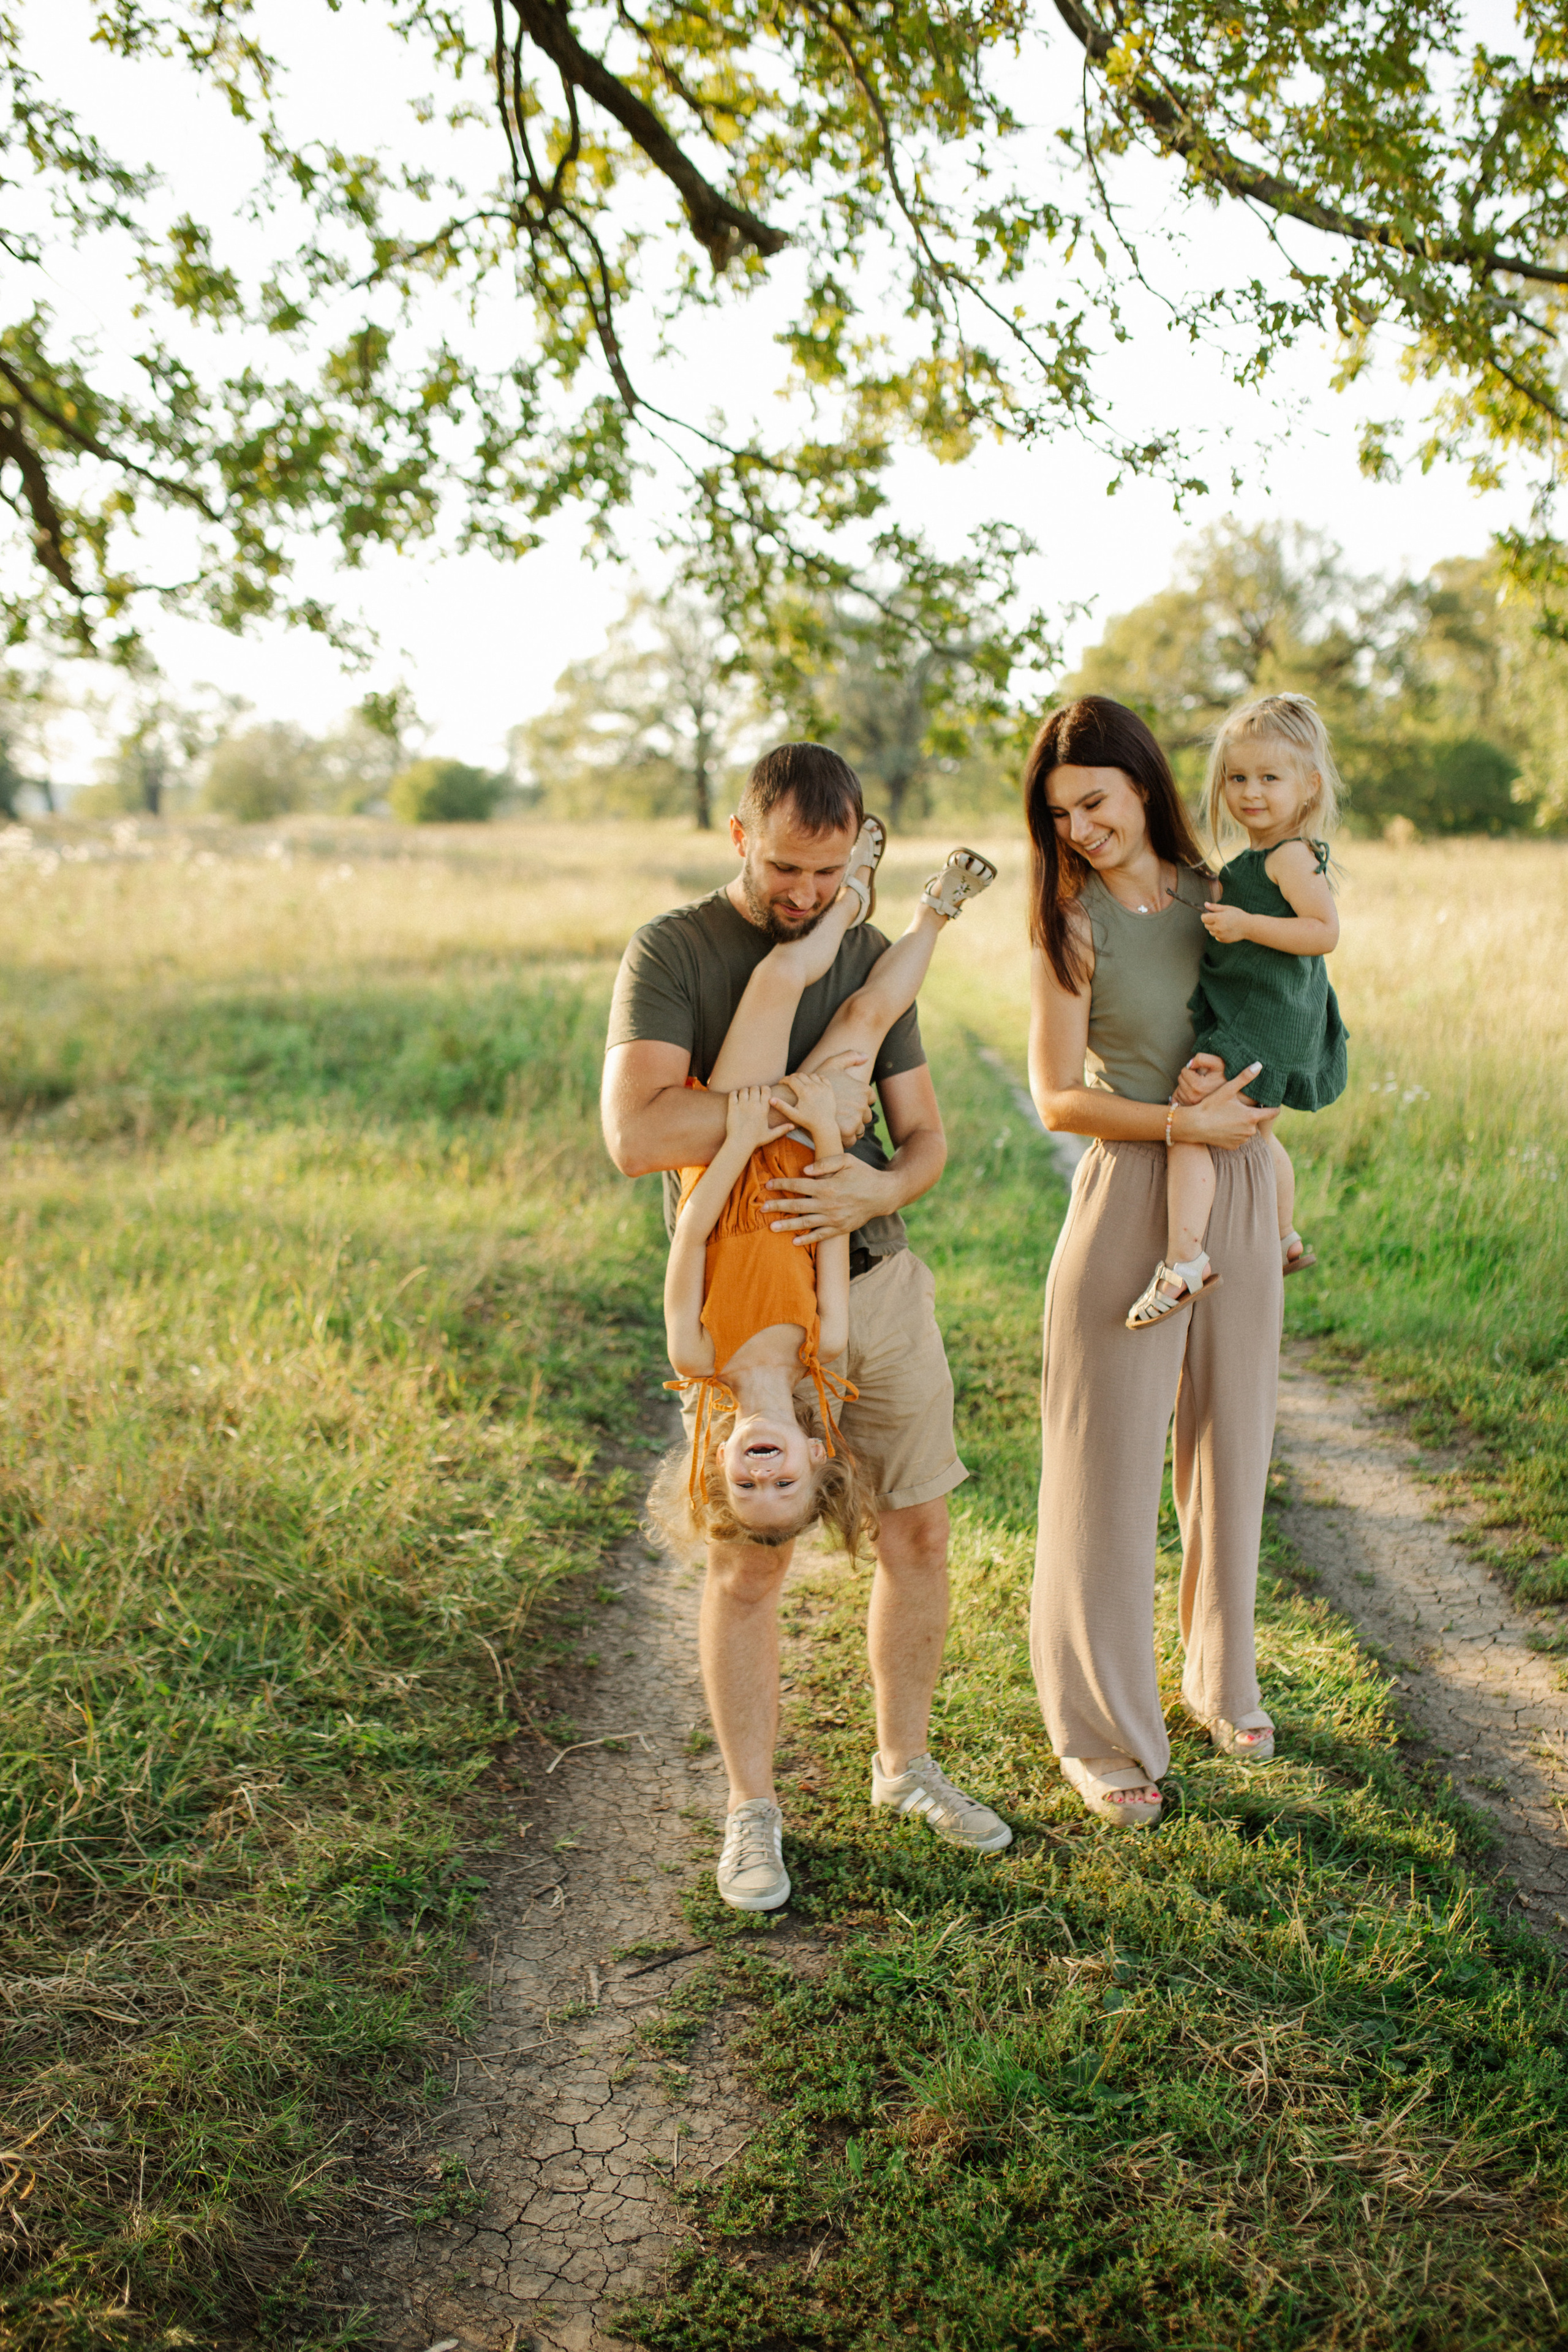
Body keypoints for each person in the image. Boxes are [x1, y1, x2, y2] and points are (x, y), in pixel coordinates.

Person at [603, 742, 1012, 1911]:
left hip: (869, 1285)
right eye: (789, 867)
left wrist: (868, 1183)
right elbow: (638, 1137)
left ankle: (906, 1766)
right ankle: (751, 1811)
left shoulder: (865, 950)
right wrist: (790, 1111)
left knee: (920, 1533)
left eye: (831, 875)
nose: (805, 892)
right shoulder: (675, 949)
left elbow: (922, 1138)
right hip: (757, 1308)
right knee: (747, 1566)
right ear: (740, 834)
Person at [1025, 696, 1281, 1829]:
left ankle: (1222, 1676)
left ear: (1141, 780)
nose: (1079, 827)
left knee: (1235, 1436)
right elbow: (1052, 1097)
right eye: (1060, 813)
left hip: (1246, 1174)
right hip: (1135, 1177)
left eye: (1094, 800)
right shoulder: (1071, 921)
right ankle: (1100, 1728)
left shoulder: (1227, 894)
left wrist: (1255, 1126)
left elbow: (1302, 1003)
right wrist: (1179, 1128)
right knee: (1105, 1461)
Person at [1126, 692, 1349, 1330]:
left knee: (1192, 1114)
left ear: (1307, 788)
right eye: (1237, 777)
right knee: (1261, 1131)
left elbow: (1323, 932)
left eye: (1269, 778)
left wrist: (1247, 924)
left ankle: (1184, 1259)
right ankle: (1282, 1237)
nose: (1250, 792)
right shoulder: (1256, 859)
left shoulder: (1290, 857)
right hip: (1265, 1010)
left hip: (1268, 1015)